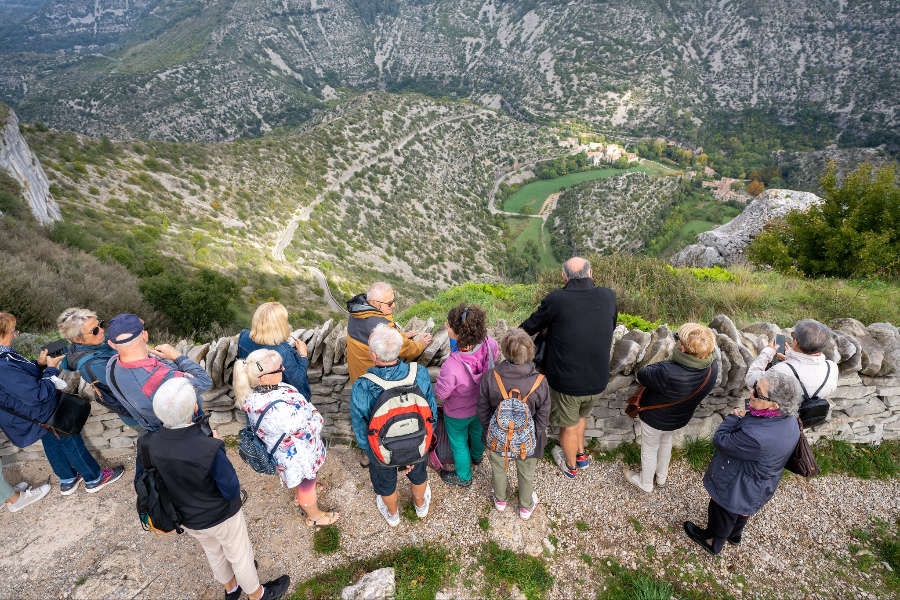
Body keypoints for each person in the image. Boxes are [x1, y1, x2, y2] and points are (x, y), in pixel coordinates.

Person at [136, 378, 290, 600]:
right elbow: (230, 490)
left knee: (213, 552)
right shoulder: (209, 447)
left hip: (185, 517)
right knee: (240, 555)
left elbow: (144, 479)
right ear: (193, 410)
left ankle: (231, 589)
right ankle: (257, 595)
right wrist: (219, 450)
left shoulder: (147, 443)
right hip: (220, 514)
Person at [0, 312, 124, 495]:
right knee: (70, 439)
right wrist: (50, 369)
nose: (15, 334)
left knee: (51, 442)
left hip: (31, 415)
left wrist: (40, 364)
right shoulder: (3, 366)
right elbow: (37, 394)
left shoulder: (4, 354)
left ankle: (68, 479)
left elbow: (21, 380)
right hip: (39, 411)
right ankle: (94, 478)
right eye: (11, 331)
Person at [684, 371, 802, 556]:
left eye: (758, 391)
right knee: (742, 511)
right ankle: (735, 535)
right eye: (755, 385)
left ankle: (712, 542)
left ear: (774, 404)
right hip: (762, 482)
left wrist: (733, 417)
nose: (751, 392)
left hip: (738, 483)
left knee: (722, 511)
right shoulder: (790, 419)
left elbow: (721, 440)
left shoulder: (755, 437)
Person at [519, 257, 617, 479]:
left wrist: (513, 334)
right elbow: (610, 325)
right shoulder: (608, 296)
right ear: (590, 274)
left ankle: (570, 465)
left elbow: (530, 326)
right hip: (599, 379)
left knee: (569, 426)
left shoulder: (557, 299)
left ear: (564, 277)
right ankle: (581, 455)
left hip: (568, 381)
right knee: (580, 416)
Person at [233, 349, 338, 526]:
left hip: (288, 452)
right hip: (298, 455)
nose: (283, 369)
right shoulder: (277, 410)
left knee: (300, 480)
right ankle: (315, 516)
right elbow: (306, 431)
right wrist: (317, 416)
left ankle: (303, 493)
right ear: (264, 378)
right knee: (305, 482)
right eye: (278, 369)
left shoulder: (258, 393)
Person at [350, 324, 436, 527]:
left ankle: (392, 514)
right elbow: (431, 411)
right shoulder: (419, 373)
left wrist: (370, 451)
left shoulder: (364, 384)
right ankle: (420, 505)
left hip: (382, 449)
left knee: (386, 483)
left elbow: (360, 423)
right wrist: (425, 440)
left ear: (373, 354)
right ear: (398, 350)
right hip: (417, 440)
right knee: (418, 475)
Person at [623, 323, 718, 493]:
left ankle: (645, 483)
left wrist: (666, 361)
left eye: (678, 339)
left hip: (655, 418)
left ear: (683, 348)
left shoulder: (668, 371)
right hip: (679, 417)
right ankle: (661, 477)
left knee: (649, 449)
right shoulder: (712, 366)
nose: (676, 340)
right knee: (666, 441)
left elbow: (643, 374)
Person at [477, 329, 550, 520]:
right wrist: (532, 435)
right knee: (526, 472)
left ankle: (500, 500)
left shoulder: (490, 377)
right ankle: (526, 507)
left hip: (497, 437)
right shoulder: (540, 382)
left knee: (498, 468)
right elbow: (543, 415)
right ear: (530, 352)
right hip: (527, 440)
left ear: (505, 351)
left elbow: (482, 410)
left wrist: (490, 432)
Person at [105, 313, 212, 431]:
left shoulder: (112, 365)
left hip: (153, 430)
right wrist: (176, 356)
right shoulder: (158, 378)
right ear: (145, 336)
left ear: (111, 344)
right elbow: (204, 381)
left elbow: (158, 366)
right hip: (184, 428)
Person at [434, 303, 498, 488]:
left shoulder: (452, 366)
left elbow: (441, 393)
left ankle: (463, 476)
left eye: (449, 324)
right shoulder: (489, 343)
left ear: (459, 333)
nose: (446, 325)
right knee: (478, 432)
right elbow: (496, 353)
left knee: (459, 443)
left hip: (457, 413)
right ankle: (477, 456)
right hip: (481, 406)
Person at [57, 308, 145, 434]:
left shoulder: (97, 341)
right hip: (140, 415)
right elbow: (135, 384)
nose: (102, 330)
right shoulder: (93, 365)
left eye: (100, 324)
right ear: (77, 339)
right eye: (95, 330)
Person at [346, 282, 433, 385]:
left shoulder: (358, 312)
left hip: (358, 376)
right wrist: (420, 346)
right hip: (375, 382)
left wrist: (400, 335)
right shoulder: (380, 326)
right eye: (389, 303)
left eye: (393, 300)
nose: (394, 305)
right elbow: (404, 348)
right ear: (374, 303)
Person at [745, 318, 838, 400]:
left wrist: (767, 352)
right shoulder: (832, 367)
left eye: (793, 335)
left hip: (786, 417)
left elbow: (751, 378)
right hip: (809, 417)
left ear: (795, 342)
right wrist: (790, 359)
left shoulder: (781, 369)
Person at [237, 302, 311, 401]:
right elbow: (297, 381)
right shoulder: (283, 352)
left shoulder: (244, 336)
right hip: (282, 403)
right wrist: (303, 355)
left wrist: (279, 336)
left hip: (255, 399)